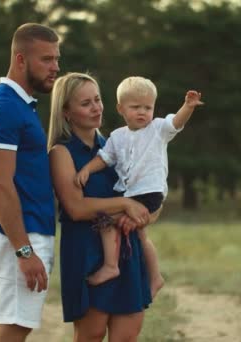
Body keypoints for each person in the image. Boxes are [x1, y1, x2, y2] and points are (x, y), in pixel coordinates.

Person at [74, 76, 203, 296]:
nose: (143, 112)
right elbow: (105, 158)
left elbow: (176, 122)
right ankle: (155, 277)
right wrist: (86, 169)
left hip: (149, 192)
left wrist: (187, 107)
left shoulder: (157, 129)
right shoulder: (117, 136)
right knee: (141, 236)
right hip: (130, 193)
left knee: (104, 221)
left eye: (148, 107)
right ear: (120, 108)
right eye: (136, 107)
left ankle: (111, 266)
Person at [48, 72, 153, 341]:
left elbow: (148, 193)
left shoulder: (117, 145)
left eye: (97, 99)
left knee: (127, 336)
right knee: (91, 334)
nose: (96, 107)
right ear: (67, 112)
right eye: (86, 103)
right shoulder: (61, 153)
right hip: (87, 253)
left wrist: (141, 215)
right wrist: (125, 204)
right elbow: (76, 208)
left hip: (126, 251)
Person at [0, 23, 60, 342]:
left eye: (56, 59)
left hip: (26, 232)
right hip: (17, 237)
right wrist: (24, 251)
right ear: (21, 59)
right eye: (47, 60)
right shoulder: (3, 108)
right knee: (12, 330)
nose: (55, 68)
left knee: (13, 328)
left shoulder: (19, 105)